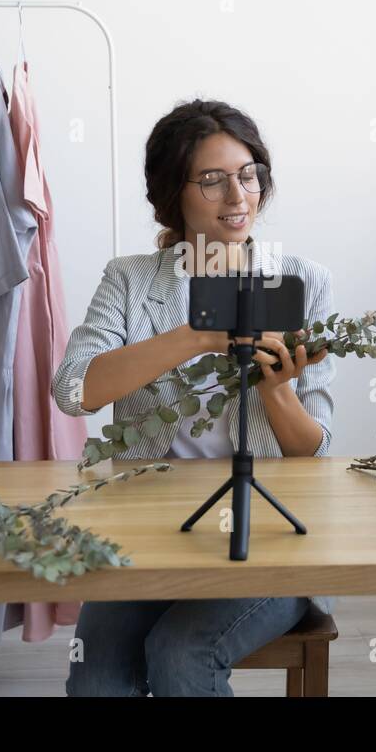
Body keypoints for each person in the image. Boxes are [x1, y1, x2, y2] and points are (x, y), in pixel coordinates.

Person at [52, 98, 335, 696]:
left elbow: (314, 454)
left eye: (247, 175)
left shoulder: (302, 282)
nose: (238, 197)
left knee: (180, 652)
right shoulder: (130, 281)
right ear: (171, 192)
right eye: (211, 180)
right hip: (146, 528)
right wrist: (195, 336)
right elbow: (74, 391)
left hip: (264, 533)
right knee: (95, 680)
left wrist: (280, 393)